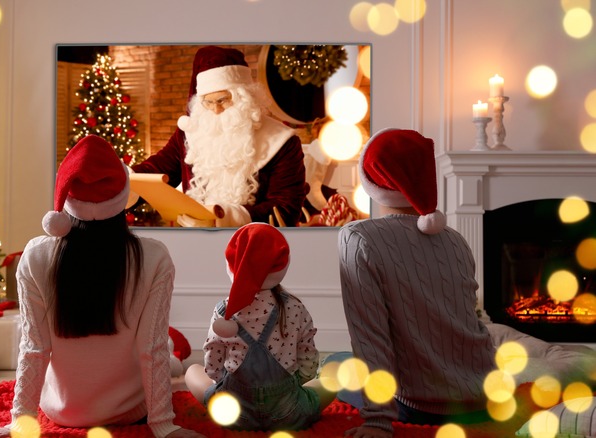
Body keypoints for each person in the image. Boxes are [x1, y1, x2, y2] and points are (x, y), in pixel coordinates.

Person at [0, 136, 204, 438]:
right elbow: (151, 350)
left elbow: (34, 348)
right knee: (169, 352)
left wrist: (21, 421)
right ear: (123, 196)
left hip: (62, 412)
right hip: (130, 412)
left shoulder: (35, 254)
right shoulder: (154, 256)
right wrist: (163, 426)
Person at [335, 128, 497, 437]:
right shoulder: (455, 239)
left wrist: (377, 422)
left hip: (421, 406)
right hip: (482, 397)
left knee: (335, 366)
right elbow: (471, 320)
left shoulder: (357, 238)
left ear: (370, 183)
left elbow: (370, 337)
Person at [131, 46, 306, 228]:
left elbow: (286, 209)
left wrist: (220, 219)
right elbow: (158, 168)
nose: (216, 110)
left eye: (222, 100)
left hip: (251, 244)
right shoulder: (191, 131)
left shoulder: (283, 142)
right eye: (208, 102)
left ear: (243, 97)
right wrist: (125, 181)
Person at [184, 222, 334, 431]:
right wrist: (300, 382)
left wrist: (220, 383)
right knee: (332, 377)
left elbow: (212, 361)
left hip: (233, 413)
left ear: (231, 267)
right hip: (287, 413)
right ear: (282, 267)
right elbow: (307, 357)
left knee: (192, 370)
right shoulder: (294, 308)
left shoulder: (223, 312)